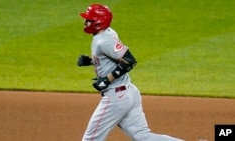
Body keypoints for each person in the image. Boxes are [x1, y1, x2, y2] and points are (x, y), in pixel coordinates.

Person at [77, 3, 184, 141]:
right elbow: (114, 57)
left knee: (90, 139)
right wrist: (92, 61)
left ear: (99, 22)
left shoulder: (103, 41)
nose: (85, 21)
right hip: (129, 93)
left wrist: (106, 79)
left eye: (89, 19)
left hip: (116, 97)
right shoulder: (108, 32)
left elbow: (129, 60)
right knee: (144, 137)